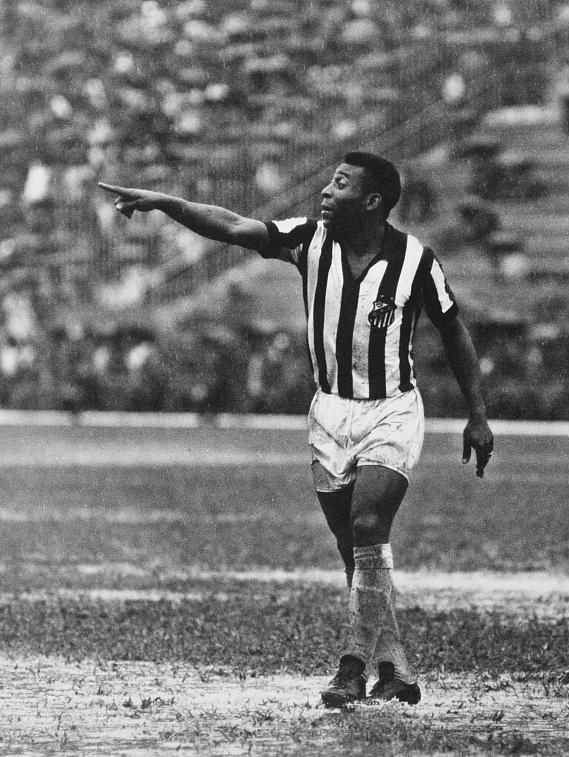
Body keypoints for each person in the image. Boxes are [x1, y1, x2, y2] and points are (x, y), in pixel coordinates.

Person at [98, 151, 494, 708]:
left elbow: (454, 332)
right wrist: (169, 204)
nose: (326, 193)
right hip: (329, 413)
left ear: (373, 201)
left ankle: (351, 668)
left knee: (367, 522)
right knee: (352, 549)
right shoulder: (310, 240)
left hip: (391, 410)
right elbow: (235, 227)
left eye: (340, 184)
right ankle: (394, 667)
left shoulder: (416, 262)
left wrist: (477, 415)